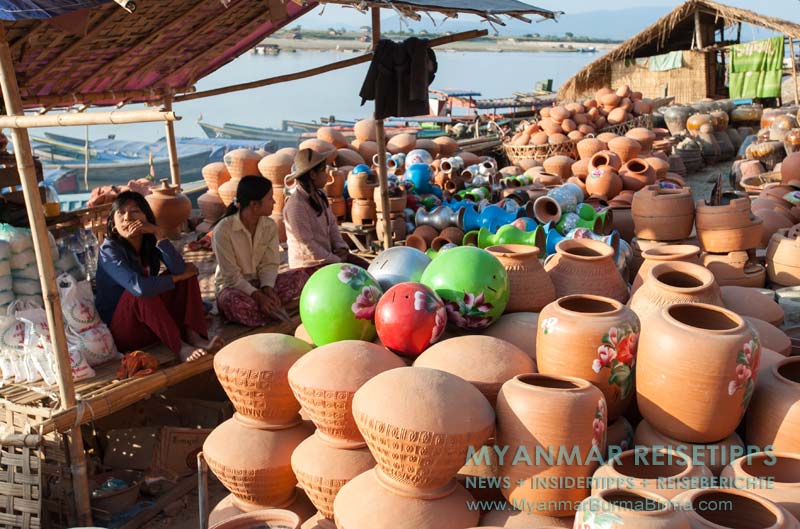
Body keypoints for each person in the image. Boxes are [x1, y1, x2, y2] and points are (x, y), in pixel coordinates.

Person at [95, 191, 222, 362]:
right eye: (121, 213)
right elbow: (139, 288)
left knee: (186, 273)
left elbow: (179, 269)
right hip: (125, 332)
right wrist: (177, 278)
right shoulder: (109, 250)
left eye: (134, 211)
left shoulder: (150, 241)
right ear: (113, 224)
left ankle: (194, 336)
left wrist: (158, 234)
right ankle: (180, 347)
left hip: (153, 326)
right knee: (140, 291)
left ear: (146, 217)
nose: (127, 218)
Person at [212, 175, 308, 327]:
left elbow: (270, 264)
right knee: (234, 303)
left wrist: (268, 289)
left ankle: (269, 311)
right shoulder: (223, 231)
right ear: (254, 205)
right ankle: (280, 309)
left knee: (300, 277)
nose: (274, 202)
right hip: (234, 288)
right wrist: (258, 297)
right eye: (270, 198)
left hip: (260, 284)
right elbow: (231, 277)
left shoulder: (269, 226)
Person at [283, 148, 370, 273]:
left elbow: (333, 225)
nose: (327, 175)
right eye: (323, 171)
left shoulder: (320, 195)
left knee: (368, 270)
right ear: (313, 175)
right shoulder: (296, 206)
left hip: (328, 257)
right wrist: (335, 259)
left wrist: (342, 248)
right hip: (308, 265)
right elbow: (307, 245)